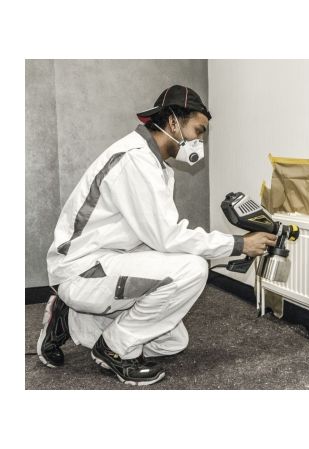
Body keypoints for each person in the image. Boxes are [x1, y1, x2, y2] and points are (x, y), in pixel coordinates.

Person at [37, 85, 277, 386]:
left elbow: (159, 238)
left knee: (172, 342)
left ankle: (70, 320)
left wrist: (229, 248)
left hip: (110, 260)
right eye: (198, 131)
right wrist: (239, 244)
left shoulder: (158, 167)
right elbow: (168, 237)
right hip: (81, 269)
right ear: (173, 122)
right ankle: (113, 349)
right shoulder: (134, 160)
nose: (199, 141)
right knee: (192, 269)